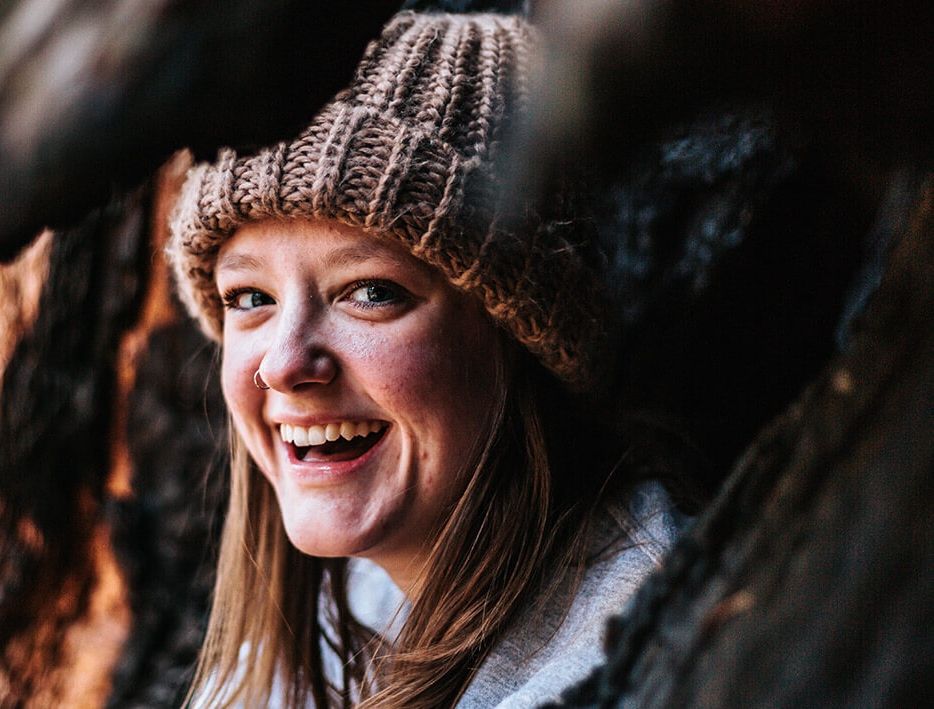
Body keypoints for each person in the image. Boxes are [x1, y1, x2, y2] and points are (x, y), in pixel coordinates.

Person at [167, 11, 686, 709]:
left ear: (523, 331)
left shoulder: (636, 653)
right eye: (249, 296)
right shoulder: (333, 617)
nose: (284, 364)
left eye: (372, 292)